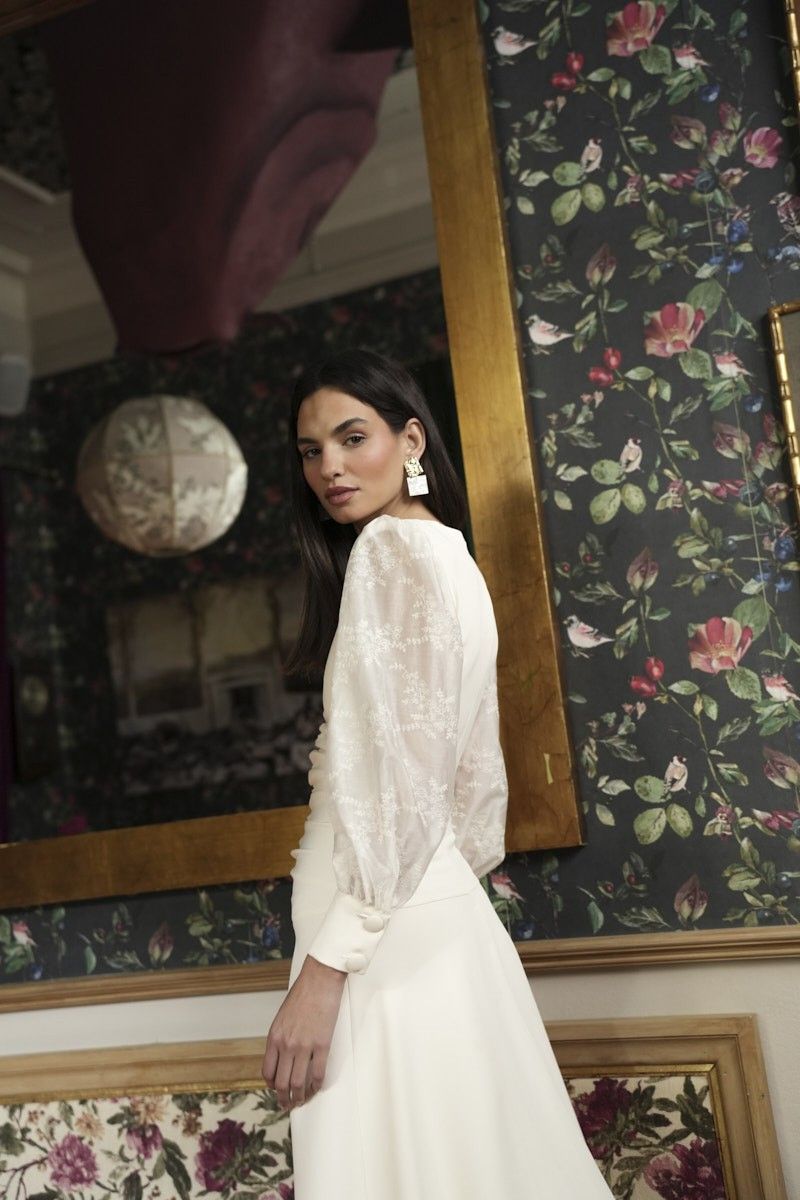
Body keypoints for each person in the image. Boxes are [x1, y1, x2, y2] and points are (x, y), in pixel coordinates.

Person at [262, 349, 613, 1199]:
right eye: (311, 450)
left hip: (373, 941)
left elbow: (408, 788)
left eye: (353, 438)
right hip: (421, 916)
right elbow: (463, 790)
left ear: (411, 439)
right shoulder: (447, 556)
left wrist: (325, 971)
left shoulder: (391, 553)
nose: (330, 466)